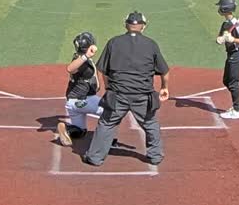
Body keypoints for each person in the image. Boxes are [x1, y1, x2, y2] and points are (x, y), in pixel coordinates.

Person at [83, 11, 170, 167]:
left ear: (126, 25)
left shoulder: (113, 42)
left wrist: (109, 87)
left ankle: (95, 157)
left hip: (118, 94)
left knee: (107, 123)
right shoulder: (151, 44)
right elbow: (164, 71)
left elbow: (103, 70)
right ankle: (155, 156)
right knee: (150, 123)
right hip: (142, 95)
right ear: (143, 26)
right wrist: (164, 87)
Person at [57, 32, 104, 146]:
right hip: (84, 100)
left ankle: (67, 129)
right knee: (110, 112)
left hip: (73, 103)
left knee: (80, 131)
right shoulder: (81, 60)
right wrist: (86, 56)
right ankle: (107, 140)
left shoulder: (80, 59)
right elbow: (70, 69)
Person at [215, 0, 239, 119]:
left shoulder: (236, 25)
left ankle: (236, 110)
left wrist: (233, 39)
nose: (219, 8)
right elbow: (220, 37)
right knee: (226, 81)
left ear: (225, 8)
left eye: (220, 6)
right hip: (230, 55)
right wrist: (220, 39)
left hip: (237, 55)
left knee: (233, 83)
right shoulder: (225, 24)